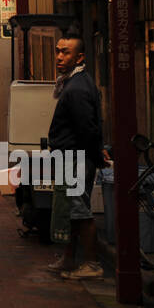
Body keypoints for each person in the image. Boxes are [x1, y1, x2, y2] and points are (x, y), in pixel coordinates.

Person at [45, 30, 109, 280]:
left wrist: (96, 153)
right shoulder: (73, 83)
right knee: (72, 210)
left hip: (76, 157)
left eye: (66, 52)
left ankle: (92, 264)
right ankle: (70, 259)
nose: (59, 56)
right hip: (71, 155)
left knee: (80, 210)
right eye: (58, 51)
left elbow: (87, 128)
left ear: (80, 57)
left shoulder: (77, 88)